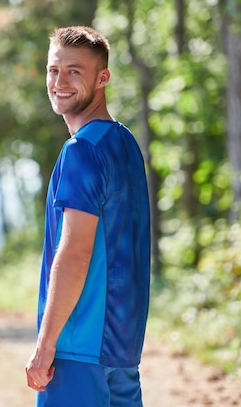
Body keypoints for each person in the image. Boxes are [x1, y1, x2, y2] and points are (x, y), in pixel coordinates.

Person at [25, 26, 151, 407]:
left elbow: (76, 251)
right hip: (121, 345)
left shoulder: (81, 150)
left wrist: (46, 345)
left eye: (74, 71)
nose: (59, 81)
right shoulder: (124, 143)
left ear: (103, 78)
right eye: (53, 70)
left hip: (78, 346)